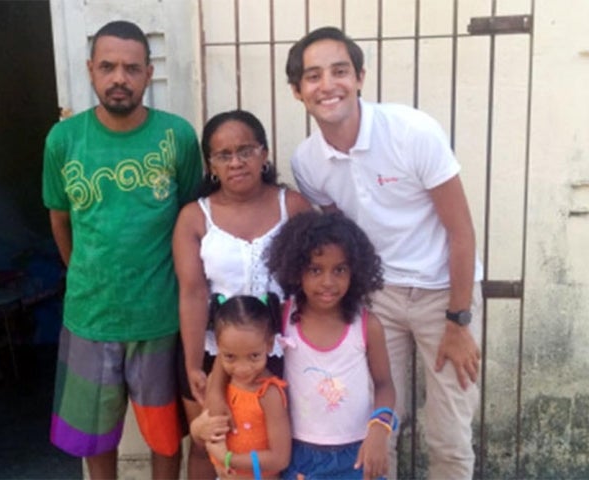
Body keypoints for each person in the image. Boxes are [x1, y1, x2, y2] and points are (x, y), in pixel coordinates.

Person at [285, 26, 485, 479]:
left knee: (449, 435)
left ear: (359, 77)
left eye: (339, 71)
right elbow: (346, 236)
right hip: (377, 298)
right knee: (376, 429)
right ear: (298, 91)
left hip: (442, 294)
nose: (327, 85)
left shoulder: (413, 132)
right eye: (313, 76)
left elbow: (461, 231)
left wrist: (458, 319)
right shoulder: (307, 161)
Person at [42, 20, 202, 479]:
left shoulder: (177, 137)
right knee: (95, 436)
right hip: (90, 316)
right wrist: (82, 273)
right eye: (108, 66)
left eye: (132, 68)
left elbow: (194, 222)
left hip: (161, 317)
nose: (119, 78)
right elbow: (59, 219)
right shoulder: (63, 140)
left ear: (149, 74)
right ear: (91, 70)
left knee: (165, 435)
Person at [173, 109, 312, 478]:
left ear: (264, 154)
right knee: (208, 445)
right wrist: (191, 364)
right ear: (211, 165)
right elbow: (191, 292)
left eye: (246, 150)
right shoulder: (194, 216)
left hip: (277, 351)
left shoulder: (293, 207)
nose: (236, 162)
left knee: (273, 447)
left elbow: (314, 282)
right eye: (223, 155)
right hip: (212, 352)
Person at [263, 210, 395, 479]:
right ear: (296, 270)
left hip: (357, 455)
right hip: (299, 456)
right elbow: (241, 353)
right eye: (315, 270)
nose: (327, 282)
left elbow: (384, 384)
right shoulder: (281, 317)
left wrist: (380, 429)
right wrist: (216, 394)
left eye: (340, 270)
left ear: (355, 272)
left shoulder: (367, 326)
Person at [190, 294, 292, 479]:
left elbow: (280, 459)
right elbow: (203, 437)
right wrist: (197, 429)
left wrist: (229, 459)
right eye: (230, 357)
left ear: (269, 345)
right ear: (218, 346)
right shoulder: (218, 385)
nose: (242, 368)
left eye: (254, 356)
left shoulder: (269, 394)